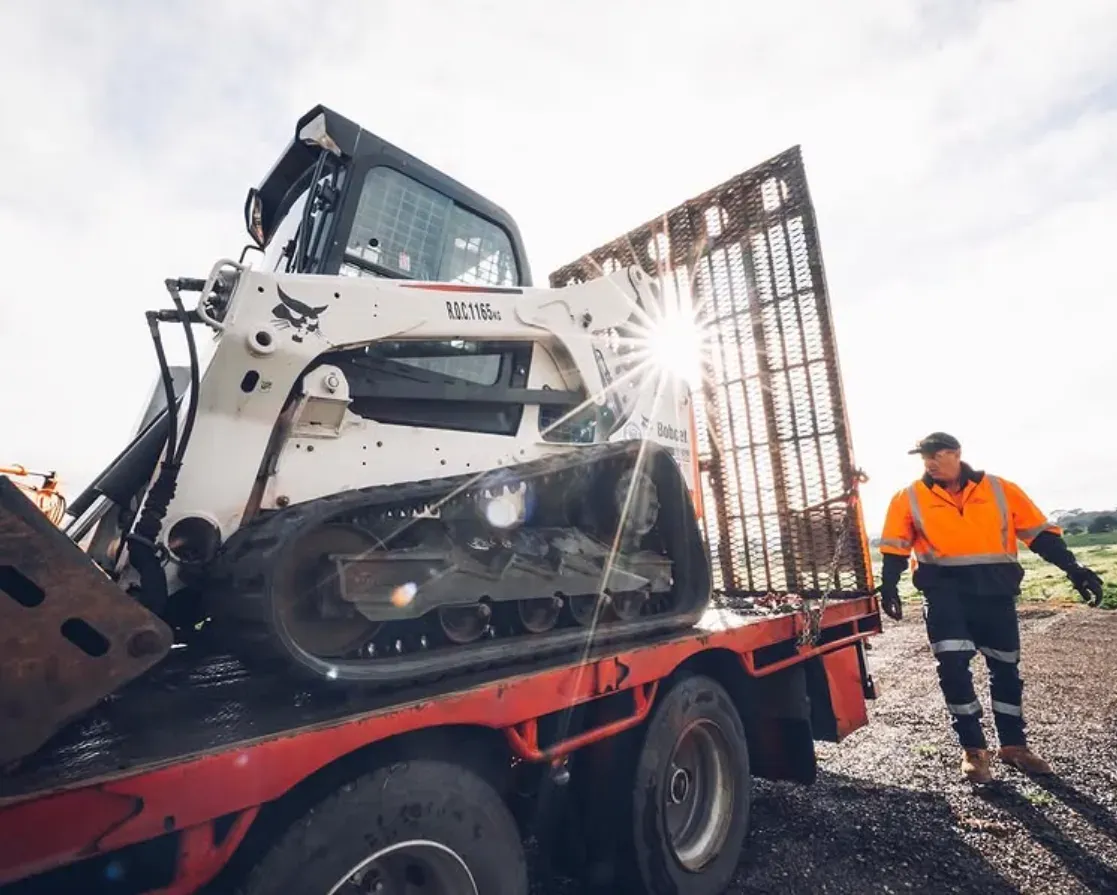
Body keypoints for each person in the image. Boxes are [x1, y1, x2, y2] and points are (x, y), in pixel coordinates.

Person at [878, 432, 1105, 784]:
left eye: (936, 455)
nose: (930, 463)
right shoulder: (909, 497)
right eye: (925, 457)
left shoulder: (1000, 490)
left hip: (995, 594)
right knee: (953, 668)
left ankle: (1014, 747)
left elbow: (1041, 536)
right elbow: (894, 546)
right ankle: (973, 749)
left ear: (956, 454)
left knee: (1005, 670)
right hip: (944, 594)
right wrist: (889, 584)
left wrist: (1074, 570)